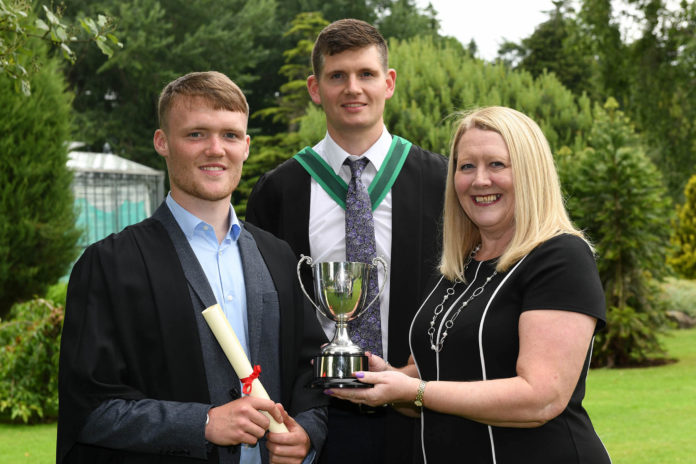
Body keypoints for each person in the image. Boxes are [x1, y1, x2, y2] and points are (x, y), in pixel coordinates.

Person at [57, 71, 328, 464]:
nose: (216, 149)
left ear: (246, 146)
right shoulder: (110, 265)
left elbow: (310, 373)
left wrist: (307, 431)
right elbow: (89, 409)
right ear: (162, 142)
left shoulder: (278, 257)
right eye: (196, 134)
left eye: (230, 135)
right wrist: (201, 422)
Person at [329, 106, 611, 464]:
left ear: (530, 172)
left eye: (497, 164)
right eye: (466, 166)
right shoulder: (457, 266)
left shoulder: (560, 257)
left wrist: (415, 391)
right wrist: (390, 381)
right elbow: (438, 373)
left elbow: (541, 397)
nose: (479, 180)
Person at [245, 18, 447, 464]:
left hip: (422, 412)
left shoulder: (441, 182)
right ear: (315, 89)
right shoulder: (279, 191)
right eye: (337, 76)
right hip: (319, 421)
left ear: (388, 83)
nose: (353, 88)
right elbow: (264, 312)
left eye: (366, 74)